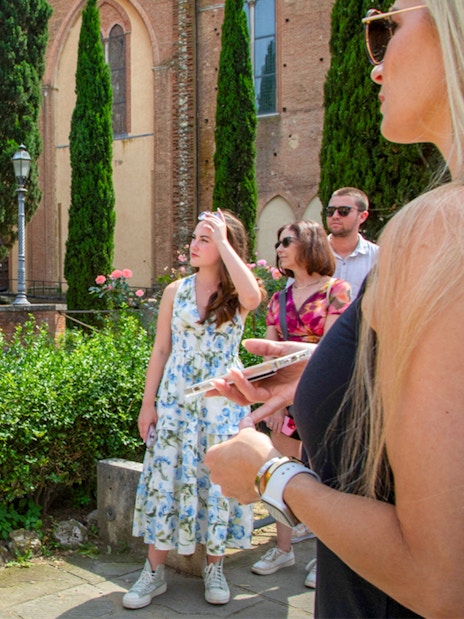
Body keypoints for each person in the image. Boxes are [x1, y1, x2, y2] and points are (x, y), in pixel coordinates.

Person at [205, 3, 464, 617]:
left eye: (386, 29)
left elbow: (440, 580)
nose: (374, 69)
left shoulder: (437, 228)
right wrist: (328, 366)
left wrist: (269, 476)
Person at [122, 209, 264, 610]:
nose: (195, 244)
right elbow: (161, 349)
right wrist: (147, 404)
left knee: (218, 480)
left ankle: (215, 567)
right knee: (164, 478)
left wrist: (223, 240)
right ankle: (153, 573)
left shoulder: (238, 292)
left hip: (221, 402)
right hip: (176, 402)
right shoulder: (175, 290)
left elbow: (254, 297)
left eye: (206, 238)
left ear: (223, 246)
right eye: (197, 237)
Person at [251, 220, 350, 579]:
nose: (279, 248)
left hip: (323, 394)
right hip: (286, 400)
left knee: (324, 477)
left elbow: (335, 348)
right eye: (278, 242)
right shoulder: (278, 299)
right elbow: (269, 355)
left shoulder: (337, 291)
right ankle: (282, 550)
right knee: (282, 471)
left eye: (287, 241)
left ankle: (324, 560)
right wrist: (273, 404)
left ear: (309, 243)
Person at [326, 187, 379, 299]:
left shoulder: (377, 257)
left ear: (362, 216)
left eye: (343, 211)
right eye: (330, 211)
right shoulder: (309, 254)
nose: (335, 216)